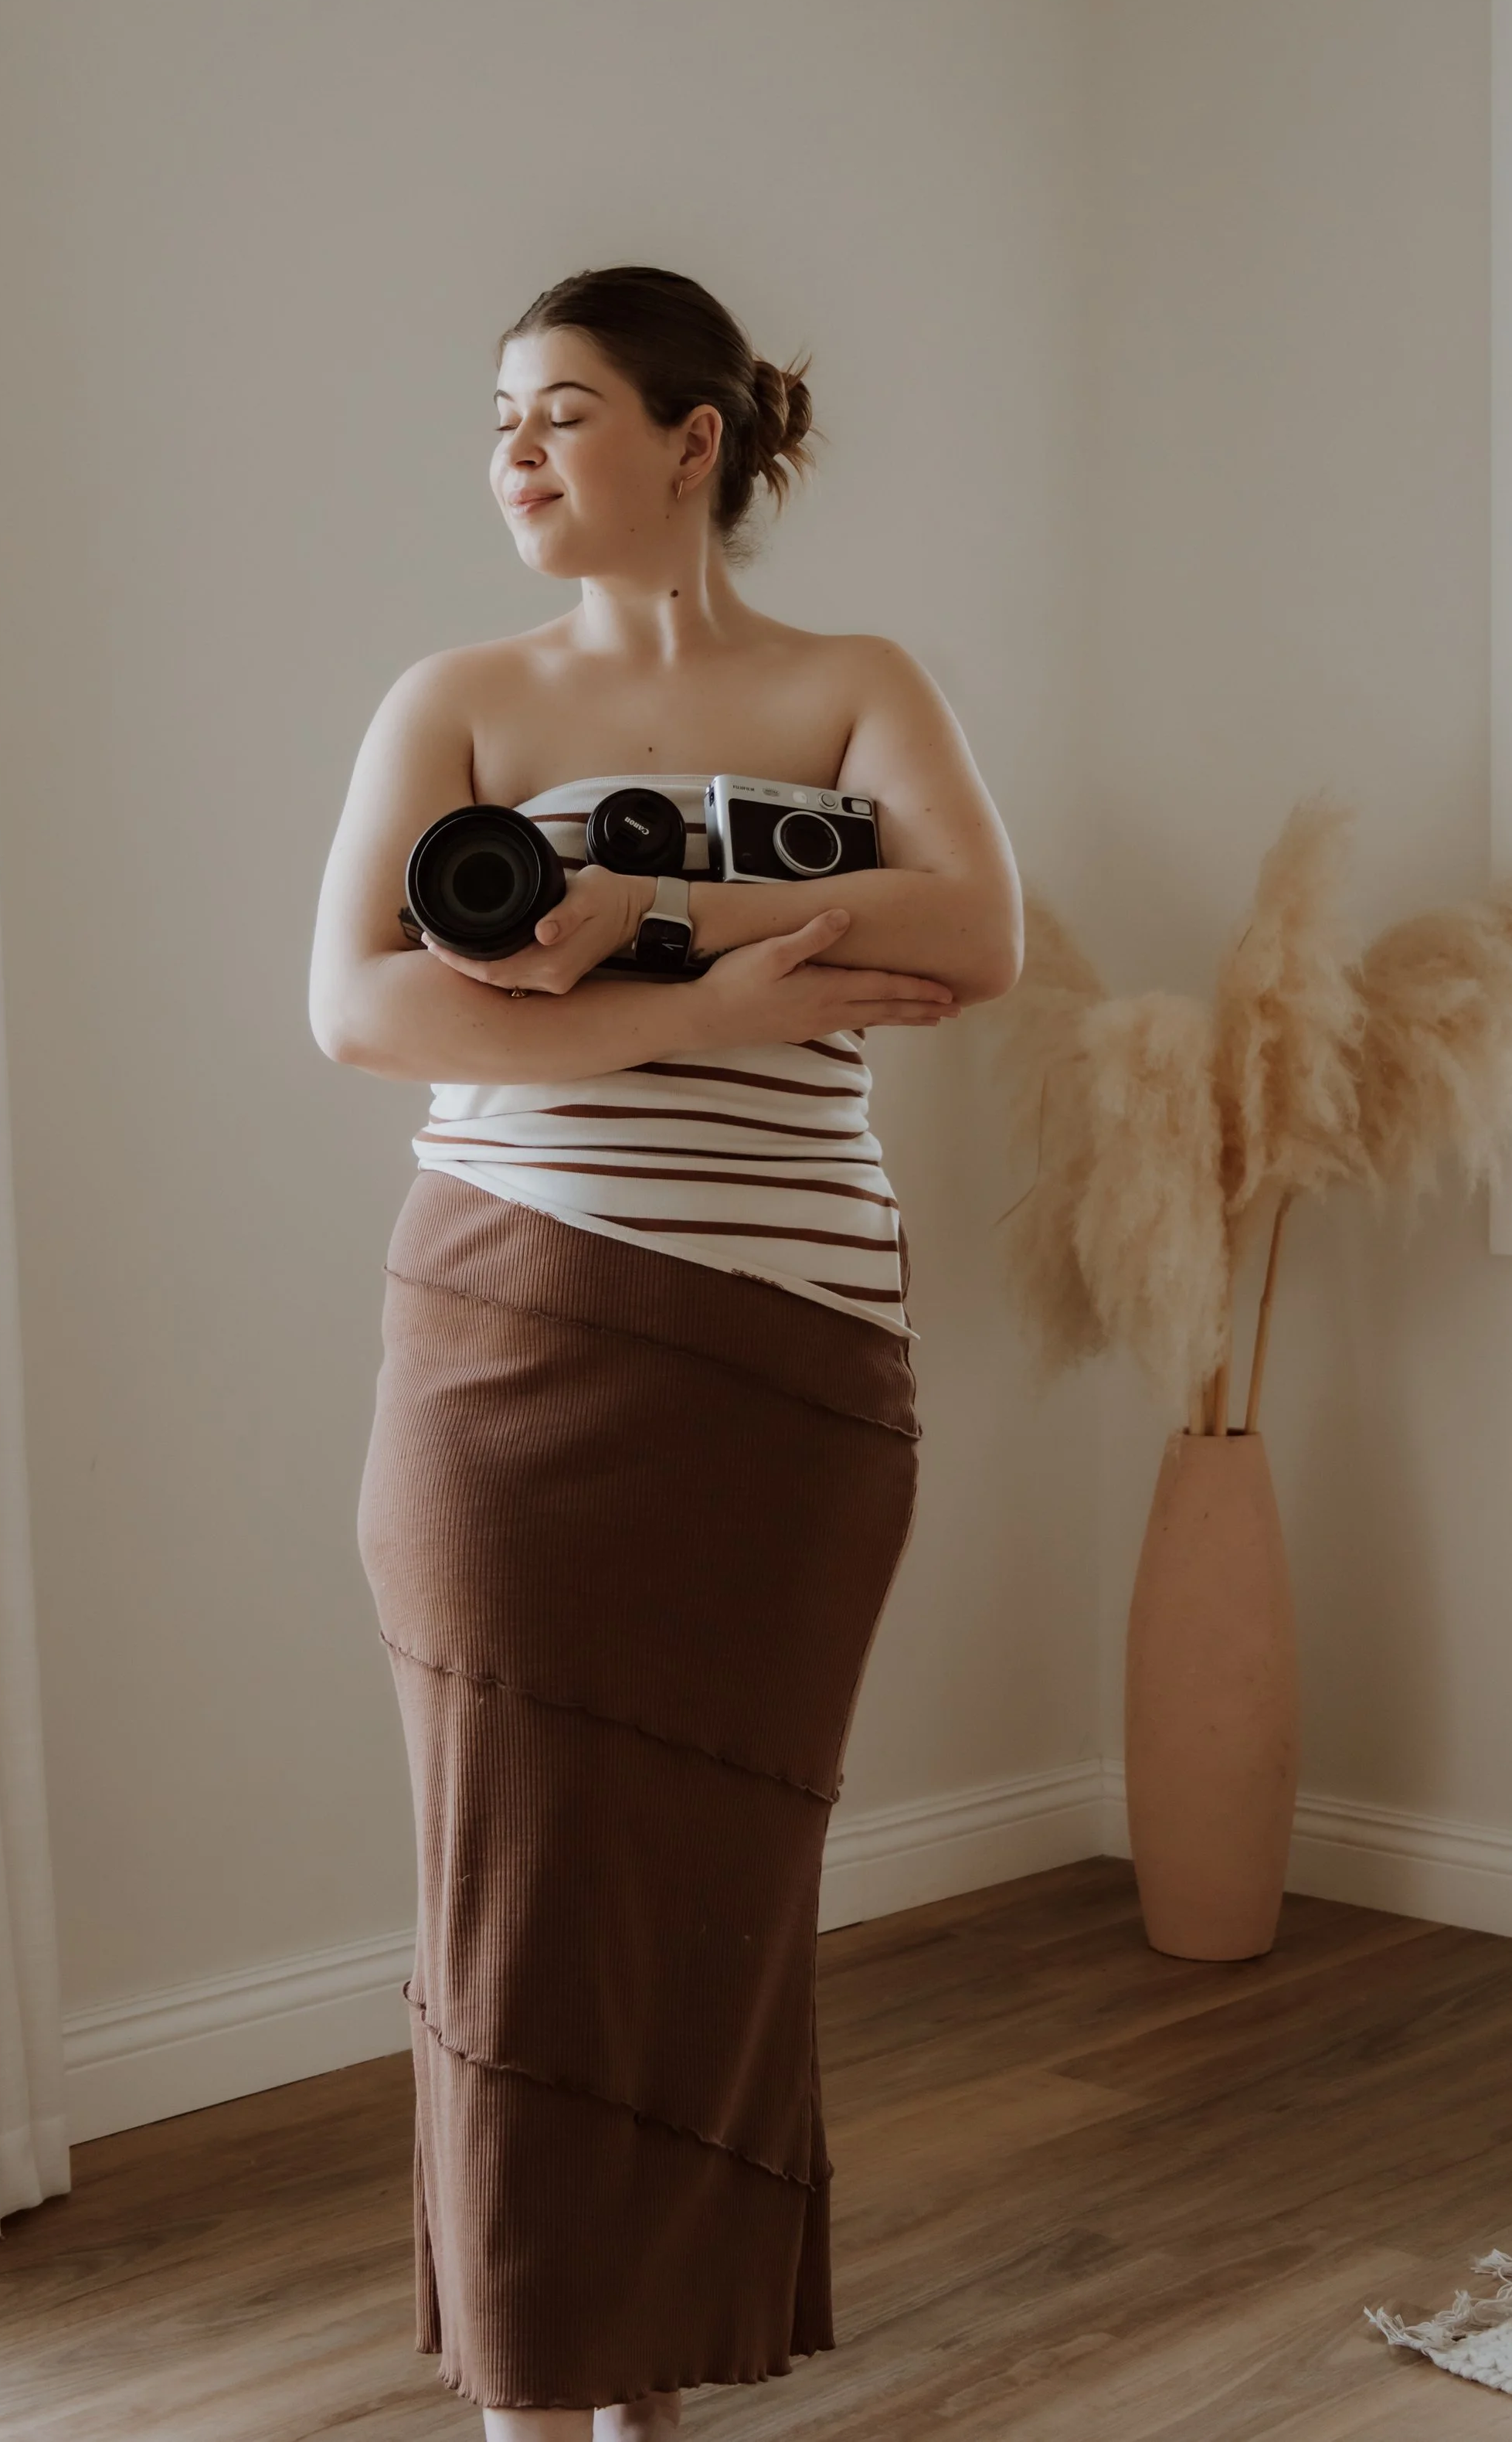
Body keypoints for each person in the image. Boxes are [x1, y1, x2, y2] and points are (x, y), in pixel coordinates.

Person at [309, 266, 1022, 2440]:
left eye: (563, 413)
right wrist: (704, 1011)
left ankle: (653, 2361)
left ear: (694, 437)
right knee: (517, 1883)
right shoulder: (455, 698)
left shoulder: (848, 682)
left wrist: (656, 913)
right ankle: (543, 2384)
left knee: (720, 1880)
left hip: (796, 1369)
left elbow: (972, 929)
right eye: (500, 420)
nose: (514, 453)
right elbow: (361, 1004)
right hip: (510, 1344)